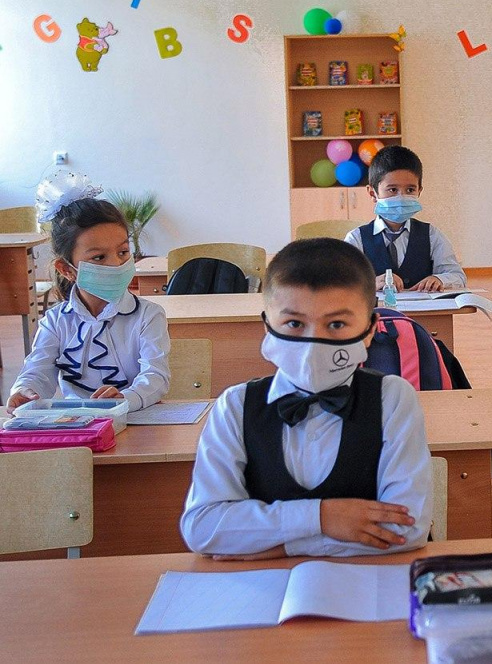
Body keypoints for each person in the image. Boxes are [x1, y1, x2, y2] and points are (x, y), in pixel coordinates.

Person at [180, 238, 433, 559]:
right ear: (267, 327)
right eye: (294, 323)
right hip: (263, 588)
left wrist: (276, 544)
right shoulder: (234, 406)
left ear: (370, 330)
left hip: (370, 586)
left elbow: (405, 529)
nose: (314, 341)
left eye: (337, 324)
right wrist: (323, 518)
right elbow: (203, 528)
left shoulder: (394, 399)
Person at [6, 171, 169, 413]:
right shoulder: (55, 321)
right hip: (76, 426)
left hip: (134, 419)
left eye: (123, 252)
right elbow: (37, 371)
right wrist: (24, 390)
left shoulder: (148, 315)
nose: (116, 264)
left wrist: (126, 398)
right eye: (99, 257)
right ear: (67, 269)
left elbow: (156, 376)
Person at [344, 145, 467, 293]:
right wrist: (370, 283)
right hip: (377, 314)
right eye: (392, 189)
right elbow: (341, 282)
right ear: (372, 193)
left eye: (410, 190)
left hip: (425, 314)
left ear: (419, 191)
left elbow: (457, 276)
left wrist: (440, 279)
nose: (401, 197)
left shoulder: (431, 235)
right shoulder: (356, 238)